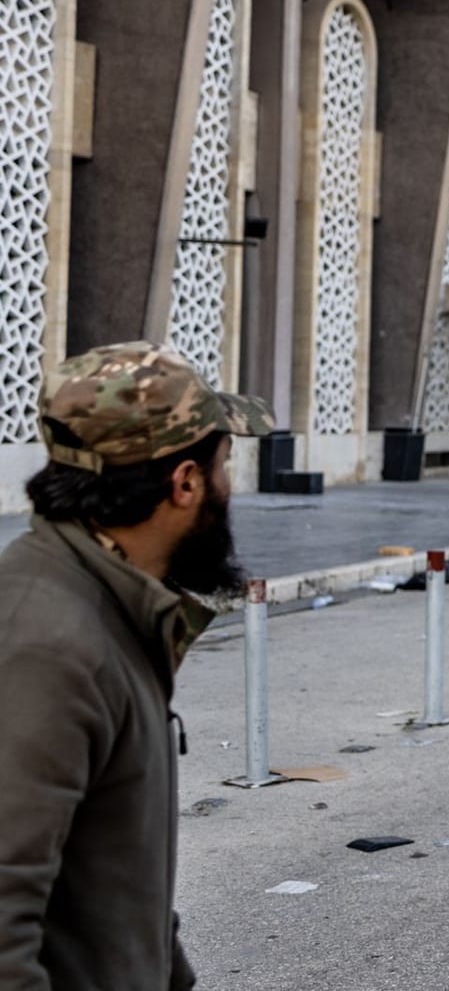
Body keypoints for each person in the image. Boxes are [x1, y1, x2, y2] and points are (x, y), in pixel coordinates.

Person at [0, 341, 275, 990]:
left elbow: (115, 876)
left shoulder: (109, 603)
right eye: (224, 466)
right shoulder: (50, 645)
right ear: (185, 483)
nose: (229, 491)